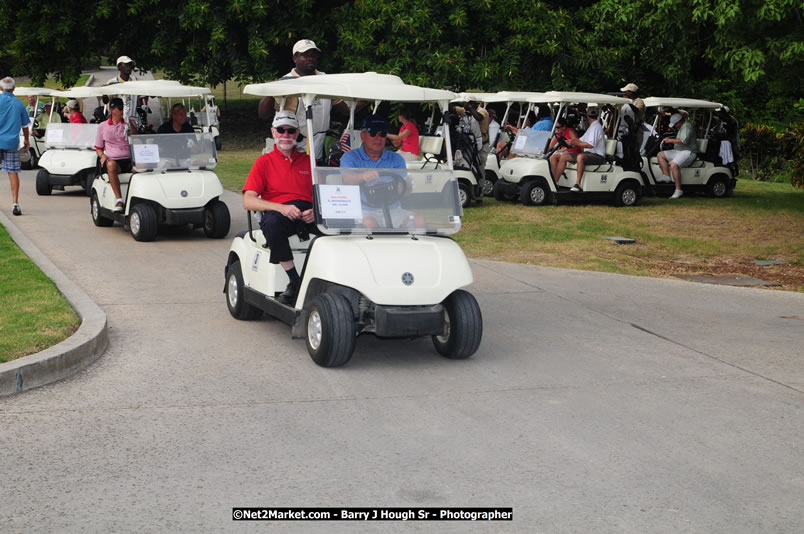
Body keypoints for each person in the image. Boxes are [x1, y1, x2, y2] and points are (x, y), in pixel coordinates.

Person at [242, 111, 317, 305]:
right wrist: (282, 208)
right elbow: (248, 201)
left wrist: (316, 212)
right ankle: (294, 280)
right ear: (273, 132)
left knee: (340, 231)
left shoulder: (309, 162)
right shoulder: (264, 162)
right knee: (272, 224)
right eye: (281, 130)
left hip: (308, 213)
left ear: (297, 133)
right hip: (280, 213)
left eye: (290, 131)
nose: (286, 135)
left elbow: (324, 195)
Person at [257, 40, 348, 161]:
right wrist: (272, 92)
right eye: (305, 55)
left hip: (319, 152)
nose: (310, 58)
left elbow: (346, 110)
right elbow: (263, 114)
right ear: (295, 58)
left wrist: (367, 100)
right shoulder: (286, 82)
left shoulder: (326, 81)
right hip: (292, 152)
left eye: (313, 55)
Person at [340, 116, 410, 228]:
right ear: (363, 136)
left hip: (393, 209)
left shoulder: (396, 158)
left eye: (382, 134)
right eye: (373, 133)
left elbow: (403, 184)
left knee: (418, 221)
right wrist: (362, 176)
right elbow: (347, 179)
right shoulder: (350, 157)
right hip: (364, 210)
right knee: (370, 223)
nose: (378, 138)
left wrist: (404, 187)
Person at [550, 106, 606, 192]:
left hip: (597, 156)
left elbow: (590, 145)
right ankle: (555, 182)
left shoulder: (596, 127)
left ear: (587, 116)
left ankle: (578, 184)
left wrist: (576, 143)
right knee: (564, 157)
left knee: (580, 157)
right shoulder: (591, 127)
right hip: (588, 154)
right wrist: (570, 142)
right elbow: (580, 141)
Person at [0, 77, 31, 216]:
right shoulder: (18, 104)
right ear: (14, 88)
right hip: (11, 143)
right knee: (13, 172)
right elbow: (25, 126)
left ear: (1, 88)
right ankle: (15, 203)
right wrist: (27, 140)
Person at [94, 98, 131, 213]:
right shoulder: (103, 126)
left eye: (122, 108)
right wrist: (102, 156)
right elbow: (99, 148)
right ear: (112, 110)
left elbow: (136, 136)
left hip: (130, 159)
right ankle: (119, 199)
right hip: (113, 160)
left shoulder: (129, 124)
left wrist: (129, 123)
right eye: (119, 108)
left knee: (147, 167)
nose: (121, 111)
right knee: (111, 165)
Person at [657, 113, 697, 199]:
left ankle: (678, 190)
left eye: (675, 124)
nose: (675, 126)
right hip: (680, 151)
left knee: (674, 165)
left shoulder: (687, 126)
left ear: (679, 122)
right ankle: (666, 176)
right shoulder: (682, 127)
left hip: (688, 152)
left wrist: (670, 140)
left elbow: (684, 141)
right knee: (660, 155)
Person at [105, 56, 139, 131]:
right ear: (119, 67)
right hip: (117, 123)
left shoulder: (137, 81)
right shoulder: (112, 83)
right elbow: (105, 100)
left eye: (130, 65)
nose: (129, 67)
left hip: (134, 122)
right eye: (126, 65)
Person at [547, 117, 581, 184]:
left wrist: (565, 149)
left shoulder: (570, 131)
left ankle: (555, 180)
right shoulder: (558, 133)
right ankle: (553, 178)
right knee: (551, 156)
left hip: (574, 151)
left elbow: (577, 143)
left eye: (558, 127)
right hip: (565, 152)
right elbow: (550, 146)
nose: (557, 129)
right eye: (555, 128)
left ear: (564, 126)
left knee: (557, 156)